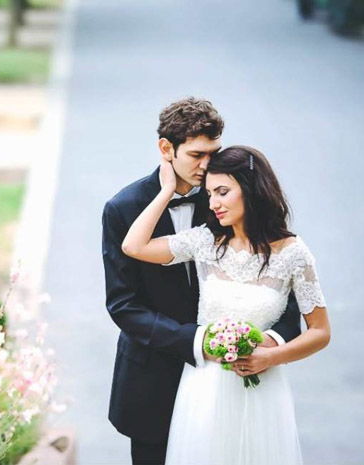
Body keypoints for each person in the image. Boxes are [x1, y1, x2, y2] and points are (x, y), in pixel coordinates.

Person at [101, 97, 302, 465]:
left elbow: (283, 292)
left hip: (234, 389)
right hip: (154, 382)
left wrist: (268, 344)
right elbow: (123, 305)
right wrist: (199, 342)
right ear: (166, 149)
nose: (208, 165)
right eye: (196, 155)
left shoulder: (230, 200)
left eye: (214, 152)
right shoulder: (123, 209)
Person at [121, 145, 331, 465]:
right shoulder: (206, 242)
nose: (214, 203)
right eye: (209, 194)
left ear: (251, 188)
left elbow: (320, 332)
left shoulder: (294, 253)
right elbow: (133, 246)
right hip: (203, 389)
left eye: (222, 192)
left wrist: (271, 356)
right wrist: (165, 192)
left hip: (262, 389)